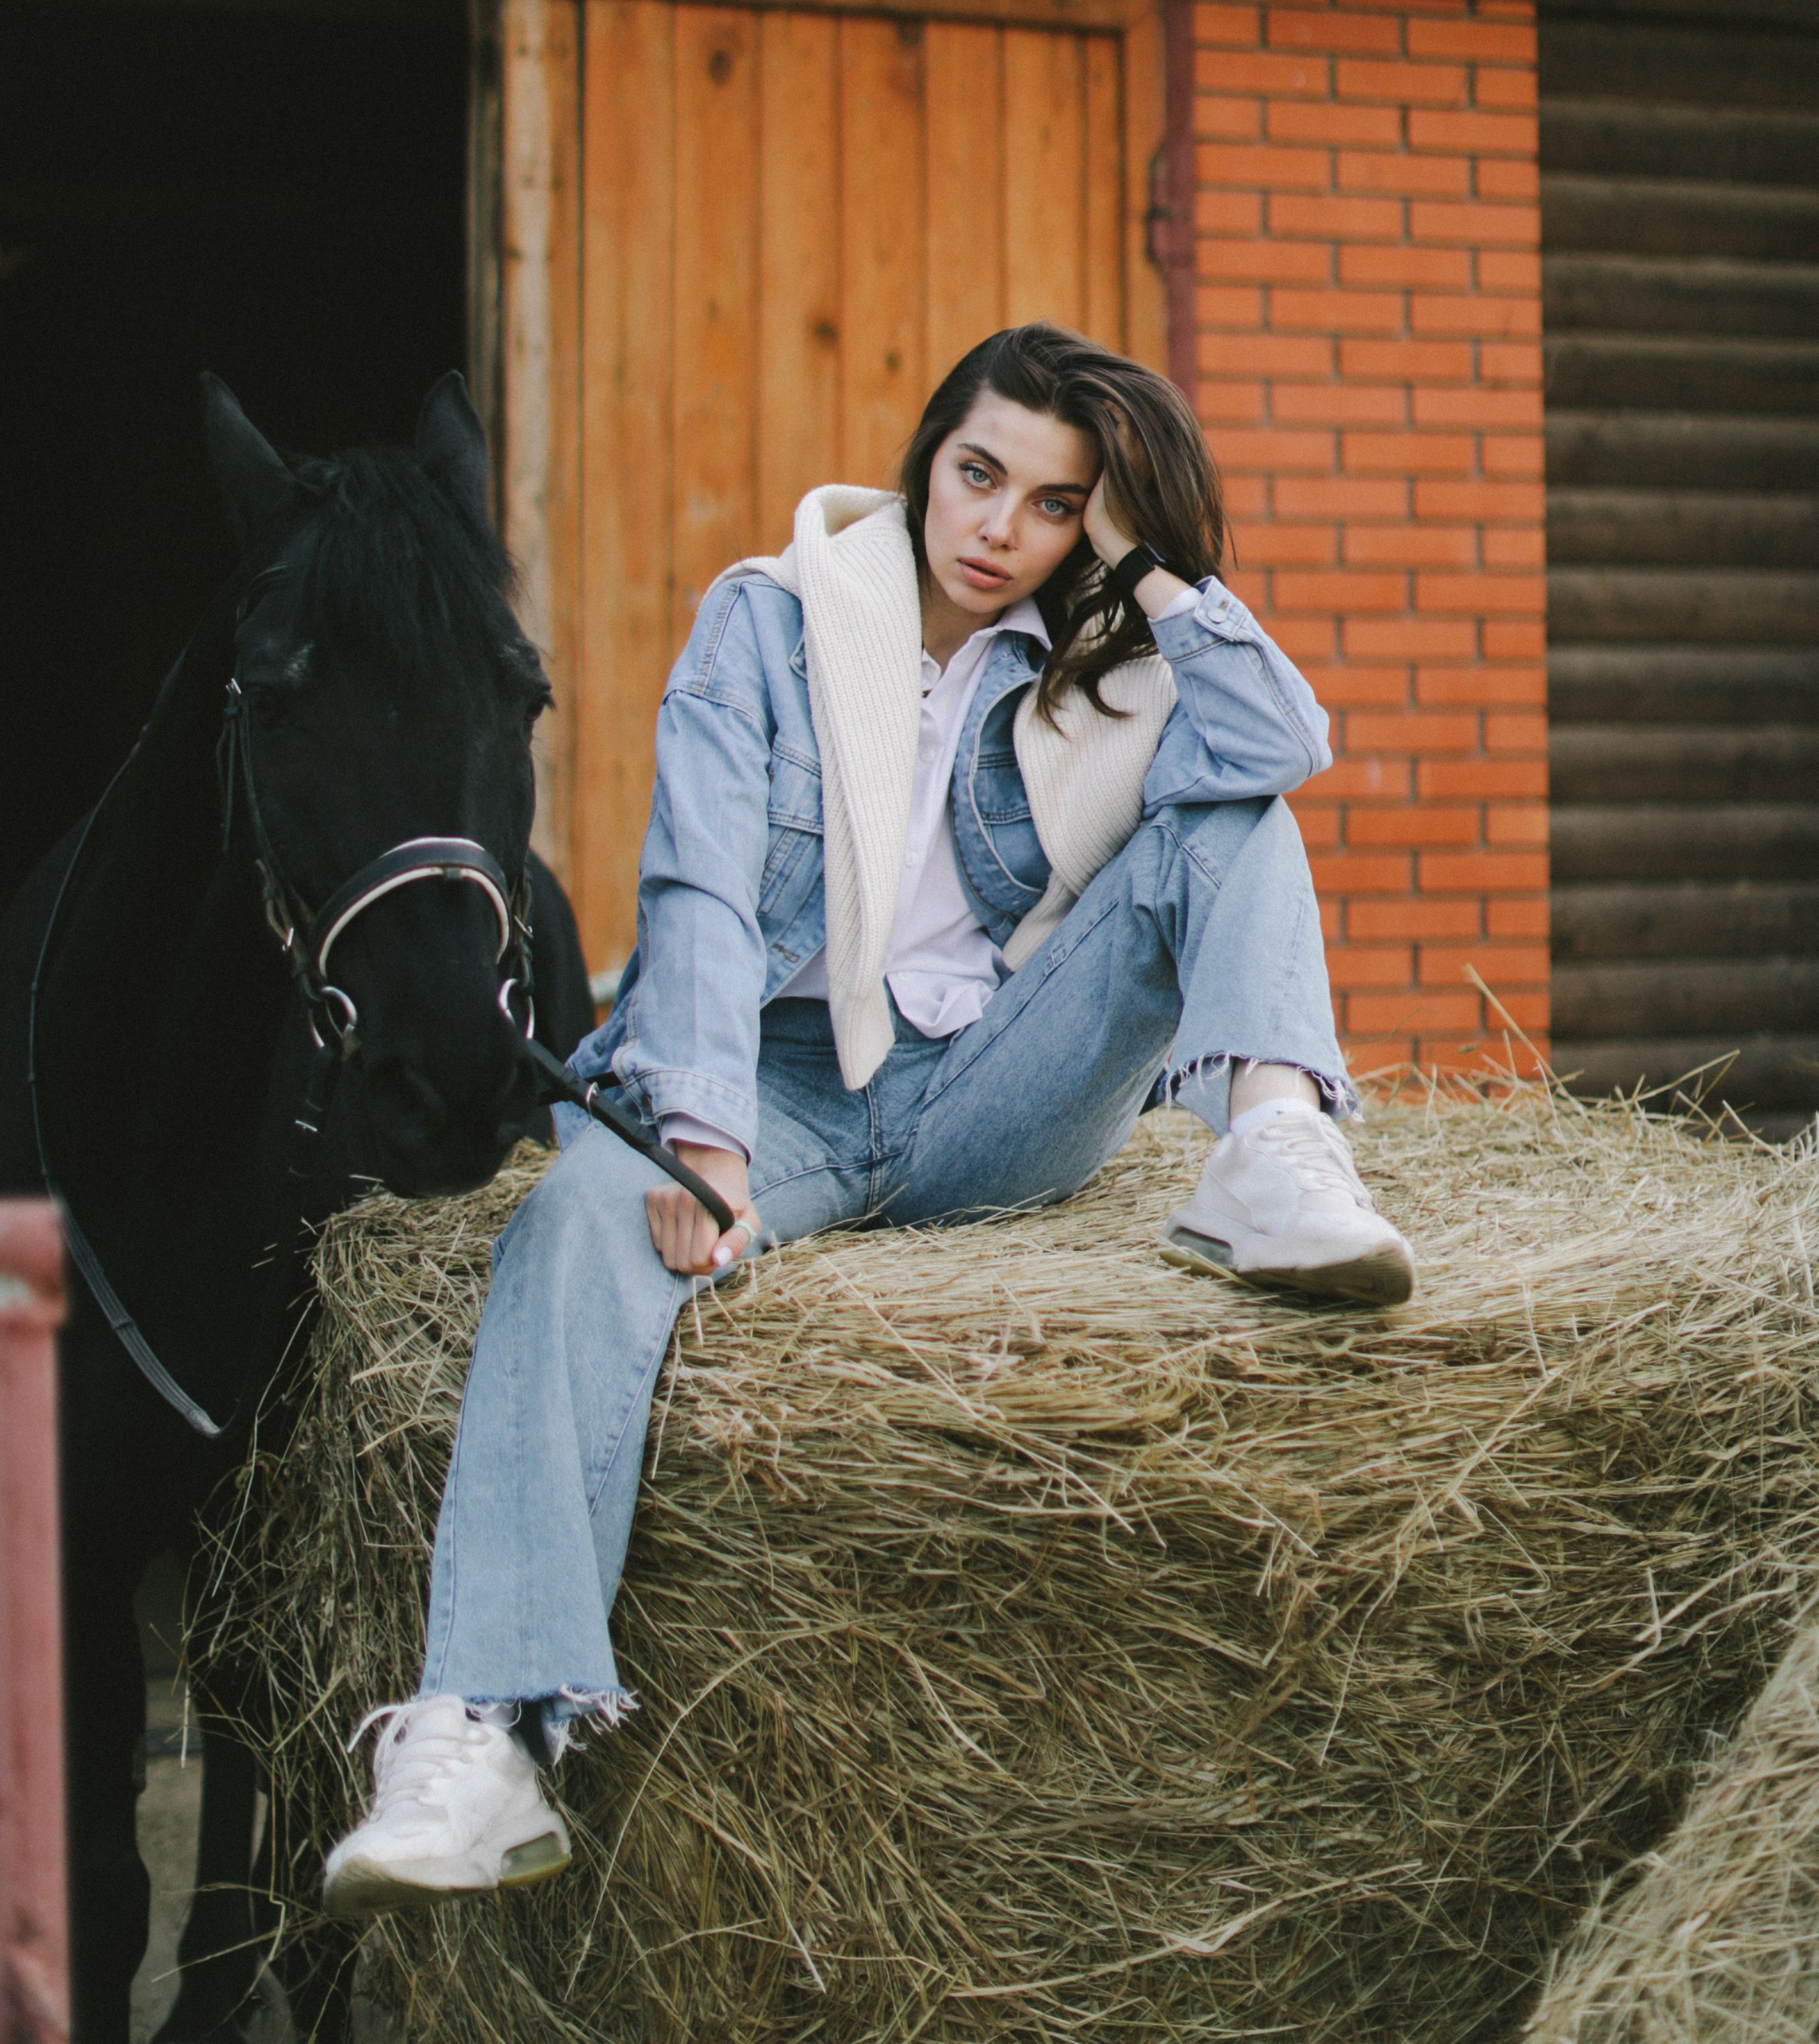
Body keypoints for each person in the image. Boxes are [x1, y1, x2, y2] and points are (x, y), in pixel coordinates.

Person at [321, 322, 1414, 1916]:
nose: (997, 530)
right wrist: (693, 1126)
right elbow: (695, 880)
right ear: (922, 459)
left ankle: (1268, 1144)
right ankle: (488, 1732)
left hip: (994, 1097)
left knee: (1230, 813)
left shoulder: (1094, 665)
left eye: (1051, 506)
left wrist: (1147, 568)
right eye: (977, 476)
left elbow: (1276, 747)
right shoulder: (765, 624)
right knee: (572, 1226)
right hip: (776, 1088)